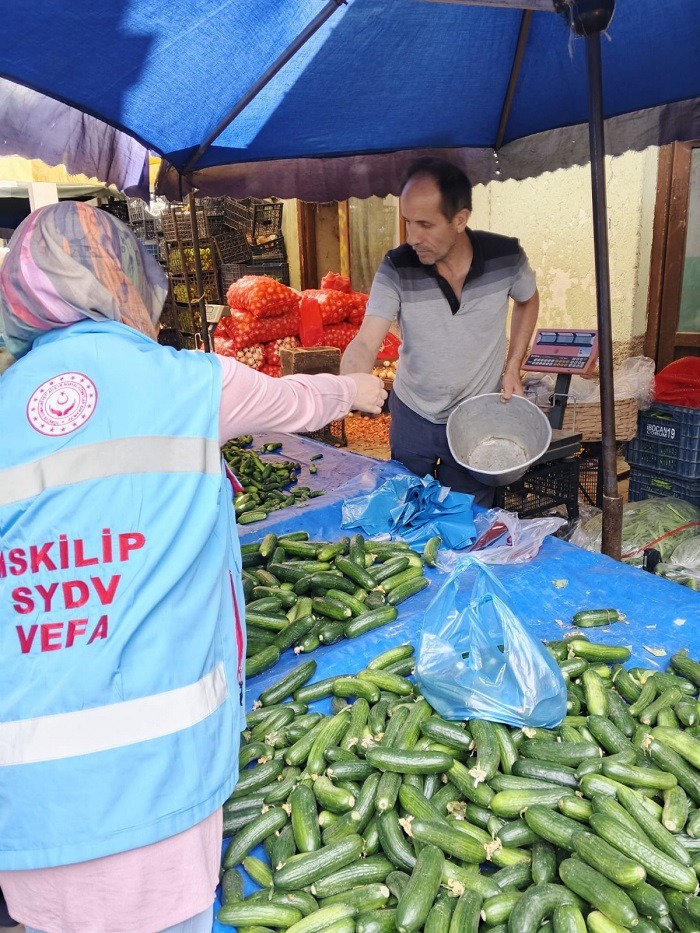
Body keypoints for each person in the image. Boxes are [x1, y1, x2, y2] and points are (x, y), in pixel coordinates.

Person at [0, 201, 387, 933]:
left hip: (24, 793)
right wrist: (358, 390)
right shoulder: (186, 382)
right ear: (122, 281)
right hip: (156, 778)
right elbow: (296, 401)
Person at [340, 156, 539, 506]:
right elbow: (367, 339)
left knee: (467, 517)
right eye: (407, 222)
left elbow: (528, 300)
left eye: (425, 224)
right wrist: (347, 384)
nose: (412, 237)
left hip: (477, 417)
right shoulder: (397, 267)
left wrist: (512, 367)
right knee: (403, 506)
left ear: (460, 220)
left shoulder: (505, 257)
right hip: (414, 412)